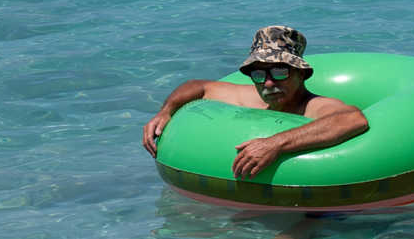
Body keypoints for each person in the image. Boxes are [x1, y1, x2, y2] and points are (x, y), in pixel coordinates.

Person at [141, 25, 370, 175]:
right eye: (259, 74)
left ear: (300, 73)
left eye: (280, 72)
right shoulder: (253, 97)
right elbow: (199, 86)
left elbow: (352, 119)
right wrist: (167, 111)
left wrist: (275, 143)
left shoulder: (314, 106)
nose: (269, 83)